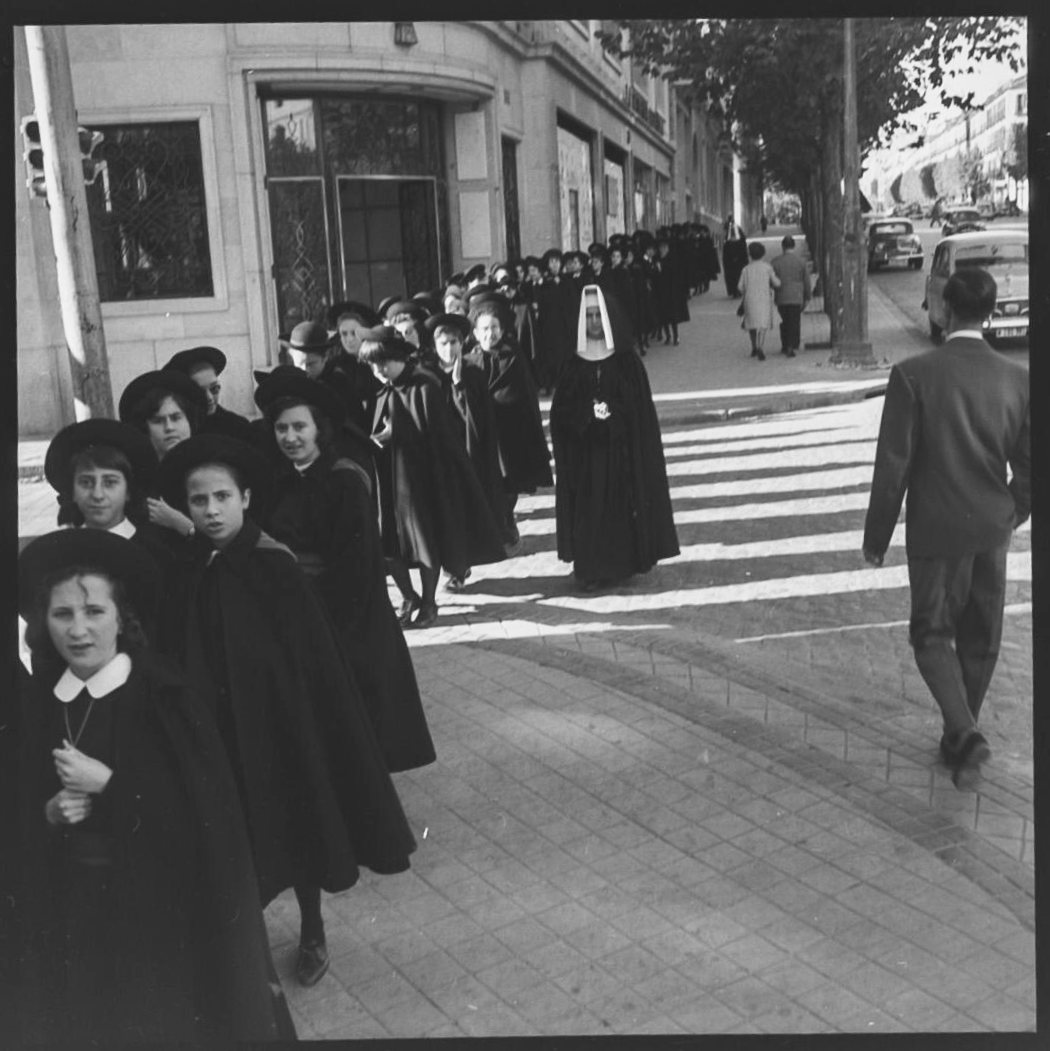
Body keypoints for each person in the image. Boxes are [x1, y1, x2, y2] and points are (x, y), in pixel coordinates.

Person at [155, 434, 417, 987]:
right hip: (218, 729)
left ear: (245, 498)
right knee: (232, 837)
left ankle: (312, 928)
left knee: (298, 828)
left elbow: (311, 662)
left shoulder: (276, 566)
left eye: (222, 497)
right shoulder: (189, 566)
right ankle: (244, 940)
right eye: (198, 501)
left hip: (280, 727)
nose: (211, 510)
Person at [16, 529, 294, 1043]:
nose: (79, 630)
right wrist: (49, 811)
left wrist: (111, 785)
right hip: (73, 911)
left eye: (94, 612)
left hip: (159, 915)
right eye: (62, 615)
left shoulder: (165, 697)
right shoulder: (37, 702)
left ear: (122, 617)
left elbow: (209, 819)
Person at [863, 269, 1030, 788]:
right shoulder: (1019, 379)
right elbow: (1032, 466)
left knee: (932, 632)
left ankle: (963, 728)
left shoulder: (914, 374)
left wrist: (876, 540)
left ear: (945, 309)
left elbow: (893, 466)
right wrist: (1012, 512)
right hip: (990, 529)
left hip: (936, 531)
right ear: (992, 311)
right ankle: (960, 733)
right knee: (981, 637)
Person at [254, 370, 436, 773]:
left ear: (319, 428)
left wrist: (307, 602)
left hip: (344, 617)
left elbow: (356, 567)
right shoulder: (277, 480)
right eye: (281, 428)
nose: (290, 437)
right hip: (293, 610)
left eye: (300, 426)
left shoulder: (345, 480)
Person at [359, 327, 506, 627]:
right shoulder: (382, 390)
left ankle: (428, 602)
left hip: (420, 485)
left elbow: (440, 438)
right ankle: (408, 596)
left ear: (398, 357)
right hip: (388, 485)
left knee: (425, 545)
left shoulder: (424, 387)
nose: (378, 370)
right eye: (373, 365)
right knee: (388, 549)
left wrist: (397, 434)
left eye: (382, 363)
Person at [550, 285, 679, 592]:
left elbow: (639, 411)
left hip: (620, 454)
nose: (594, 322)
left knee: (620, 511)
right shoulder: (573, 362)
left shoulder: (626, 362)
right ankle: (591, 570)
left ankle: (621, 564)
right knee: (588, 514)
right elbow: (560, 411)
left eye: (599, 315)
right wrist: (587, 415)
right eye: (589, 315)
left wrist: (612, 414)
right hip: (585, 456)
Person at [42, 419, 173, 620]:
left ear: (129, 491)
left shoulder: (157, 555)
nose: (97, 494)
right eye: (86, 482)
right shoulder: (57, 556)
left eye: (110, 482)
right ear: (73, 492)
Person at [470, 295, 554, 547]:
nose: (490, 334)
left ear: (502, 329)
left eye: (494, 328)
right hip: (483, 433)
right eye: (484, 329)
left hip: (509, 433)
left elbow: (524, 397)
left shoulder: (512, 358)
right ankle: (498, 523)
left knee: (509, 484)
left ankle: (507, 521)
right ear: (475, 333)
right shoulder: (469, 361)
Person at [423, 312, 505, 571]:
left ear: (462, 344)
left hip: (468, 453)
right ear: (435, 347)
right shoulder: (427, 375)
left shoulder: (472, 373)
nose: (449, 349)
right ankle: (452, 566)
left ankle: (462, 565)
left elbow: (479, 419)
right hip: (438, 454)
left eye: (454, 343)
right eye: (443, 343)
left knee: (465, 511)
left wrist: (460, 387)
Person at [118, 369, 209, 542]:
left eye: (176, 418)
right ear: (146, 429)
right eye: (158, 421)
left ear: (189, 421)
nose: (169, 427)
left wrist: (183, 525)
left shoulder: (211, 469)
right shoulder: (139, 481)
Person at [163, 345, 257, 445]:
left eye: (214, 389)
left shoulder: (237, 427)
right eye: (199, 392)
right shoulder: (171, 430)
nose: (209, 398)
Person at [770, 235, 811, 357]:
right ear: (794, 246)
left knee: (784, 321)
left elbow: (772, 281)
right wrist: (808, 296)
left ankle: (785, 344)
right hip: (796, 295)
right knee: (794, 320)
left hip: (781, 295)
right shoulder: (801, 262)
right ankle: (792, 344)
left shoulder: (775, 262)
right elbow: (806, 281)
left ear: (782, 246)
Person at [739, 241, 781, 361]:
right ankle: (760, 346)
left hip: (750, 299)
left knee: (752, 323)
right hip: (764, 299)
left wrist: (746, 291)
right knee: (763, 324)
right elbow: (776, 282)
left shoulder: (746, 269)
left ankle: (753, 347)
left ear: (750, 254)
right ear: (763, 254)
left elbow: (740, 287)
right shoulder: (768, 268)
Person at [722, 214, 748, 297]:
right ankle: (737, 291)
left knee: (733, 275)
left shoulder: (730, 233)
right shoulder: (737, 230)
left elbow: (726, 247)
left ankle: (735, 291)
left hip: (731, 259)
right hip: (738, 258)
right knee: (737, 275)